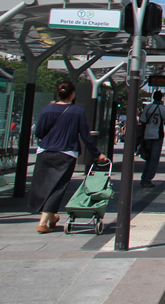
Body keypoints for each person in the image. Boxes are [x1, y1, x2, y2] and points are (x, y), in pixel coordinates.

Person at [28, 80, 107, 233]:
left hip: (44, 151)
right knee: (58, 187)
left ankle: (51, 218)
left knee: (44, 185)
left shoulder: (47, 110)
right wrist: (97, 154)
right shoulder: (77, 111)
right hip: (66, 153)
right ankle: (43, 222)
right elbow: (86, 136)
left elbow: (38, 133)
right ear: (72, 94)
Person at [139, 90, 165, 188]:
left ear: (153, 97)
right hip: (157, 135)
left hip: (147, 135)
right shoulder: (164, 109)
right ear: (161, 98)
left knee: (148, 157)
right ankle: (148, 179)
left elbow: (142, 121)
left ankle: (144, 178)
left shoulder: (147, 108)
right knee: (154, 158)